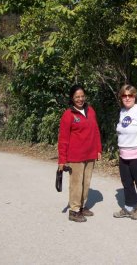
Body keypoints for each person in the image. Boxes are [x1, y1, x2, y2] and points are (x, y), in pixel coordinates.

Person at [58, 84, 102, 222]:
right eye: (77, 96)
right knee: (76, 183)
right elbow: (63, 139)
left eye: (82, 96)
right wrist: (62, 160)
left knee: (86, 182)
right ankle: (74, 210)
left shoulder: (91, 111)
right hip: (75, 157)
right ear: (72, 98)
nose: (80, 99)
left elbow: (96, 131)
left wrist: (98, 149)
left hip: (90, 154)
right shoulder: (68, 115)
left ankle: (82, 206)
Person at [113, 84, 137, 220]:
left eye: (130, 95)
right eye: (124, 95)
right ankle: (129, 207)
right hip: (124, 153)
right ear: (121, 97)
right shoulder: (123, 112)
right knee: (126, 182)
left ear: (135, 96)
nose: (127, 98)